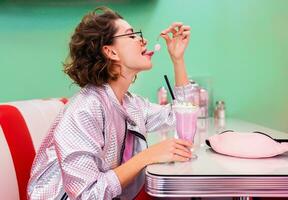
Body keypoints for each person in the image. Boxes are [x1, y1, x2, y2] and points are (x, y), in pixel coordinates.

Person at [27, 6, 194, 200]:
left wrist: (178, 59)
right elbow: (86, 196)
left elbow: (181, 115)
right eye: (131, 35)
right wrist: (147, 156)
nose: (143, 40)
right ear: (110, 52)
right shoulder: (84, 110)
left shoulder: (131, 104)